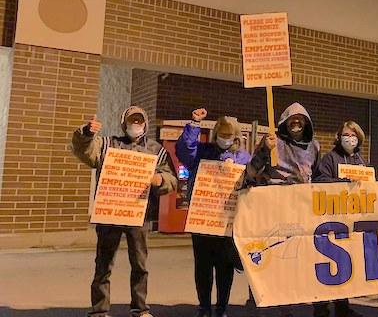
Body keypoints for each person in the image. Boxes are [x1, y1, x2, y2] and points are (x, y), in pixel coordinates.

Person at [71, 106, 177, 317]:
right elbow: (84, 152)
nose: (135, 125)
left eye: (139, 121)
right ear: (123, 123)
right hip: (109, 214)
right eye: (131, 121)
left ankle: (140, 309)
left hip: (140, 215)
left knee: (140, 265)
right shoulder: (107, 144)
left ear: (145, 124)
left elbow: (172, 179)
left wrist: (159, 180)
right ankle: (99, 311)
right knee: (103, 264)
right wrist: (86, 133)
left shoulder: (157, 150)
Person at [243, 102, 321, 313]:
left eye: (300, 118)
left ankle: (287, 306)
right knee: (269, 257)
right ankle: (259, 303)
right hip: (273, 209)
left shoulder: (315, 146)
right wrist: (264, 152)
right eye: (292, 119)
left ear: (306, 123)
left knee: (292, 259)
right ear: (284, 122)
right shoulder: (272, 142)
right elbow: (250, 172)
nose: (296, 122)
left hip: (300, 210)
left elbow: (317, 176)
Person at [175, 109, 251, 317]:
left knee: (225, 266)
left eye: (229, 134)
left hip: (227, 220)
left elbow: (251, 179)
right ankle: (204, 306)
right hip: (203, 218)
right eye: (221, 133)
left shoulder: (242, 157)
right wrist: (194, 124)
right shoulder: (203, 151)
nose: (224, 138)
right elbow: (184, 151)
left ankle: (221, 307)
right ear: (215, 133)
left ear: (235, 135)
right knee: (203, 266)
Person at [311, 121, 369, 317]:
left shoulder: (361, 161)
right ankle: (321, 308)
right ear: (339, 136)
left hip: (351, 220)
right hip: (329, 218)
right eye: (345, 134)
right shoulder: (330, 158)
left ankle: (342, 307)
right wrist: (344, 183)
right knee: (326, 265)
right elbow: (320, 180)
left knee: (344, 266)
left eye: (353, 135)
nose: (349, 138)